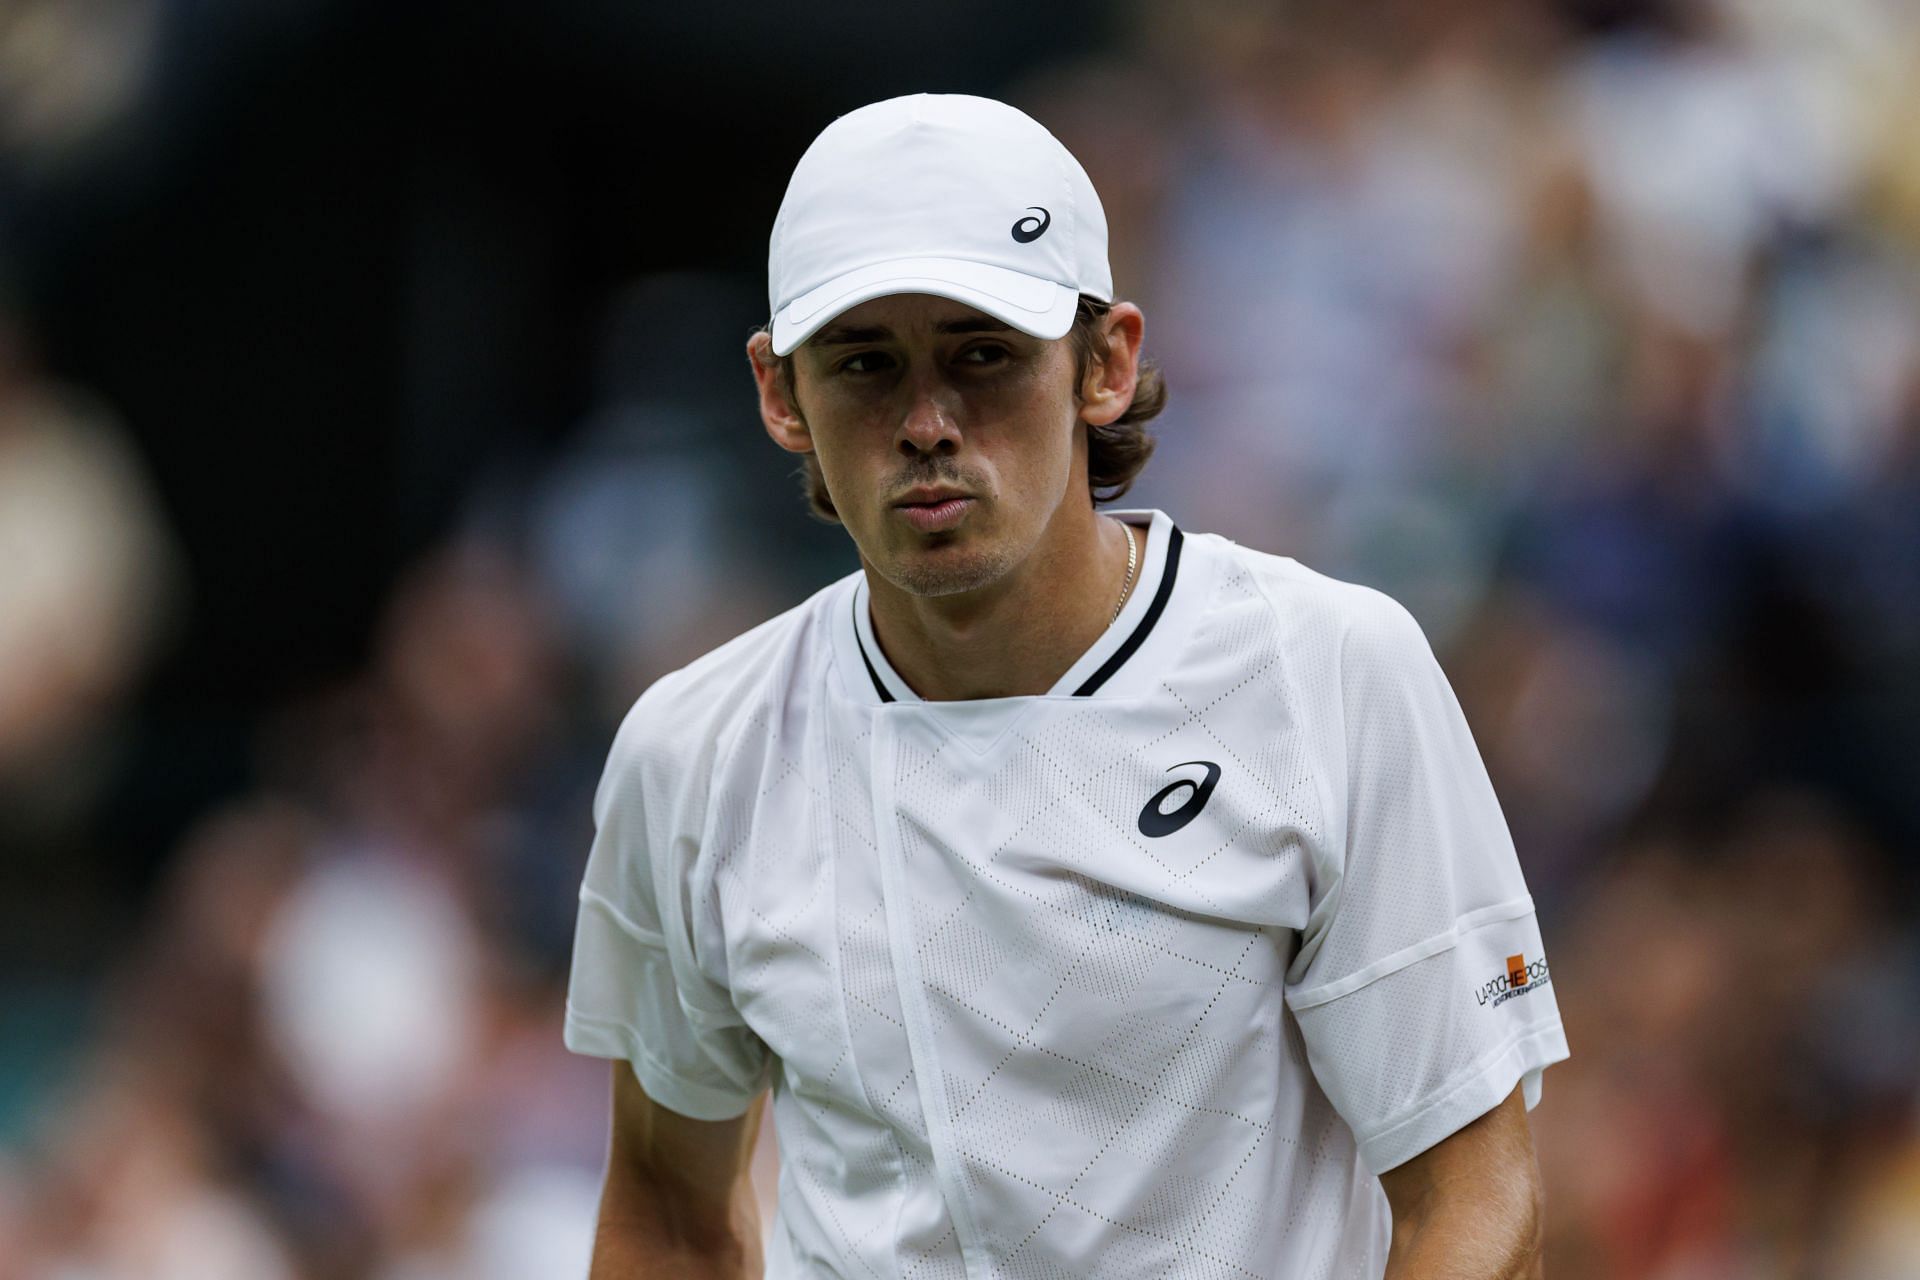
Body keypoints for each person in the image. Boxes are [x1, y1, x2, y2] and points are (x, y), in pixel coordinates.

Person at [564, 93, 1568, 1278]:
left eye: (983, 355)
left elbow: (1476, 1195)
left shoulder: (1332, 672)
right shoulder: (691, 749)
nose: (928, 421)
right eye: (865, 365)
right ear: (782, 395)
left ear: (1107, 363)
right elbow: (669, 1213)